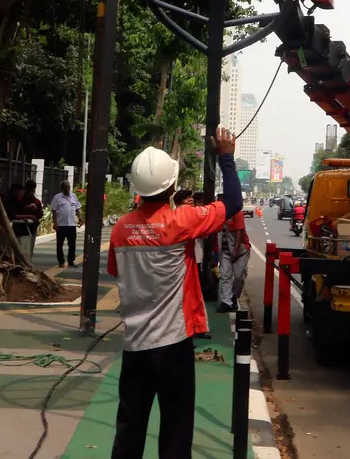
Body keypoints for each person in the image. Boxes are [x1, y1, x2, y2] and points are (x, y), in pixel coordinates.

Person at [107, 128, 243, 459]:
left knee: (129, 428)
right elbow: (233, 203)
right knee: (176, 431)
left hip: (135, 345)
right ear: (170, 186)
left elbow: (115, 271)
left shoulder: (121, 228)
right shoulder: (180, 222)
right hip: (172, 346)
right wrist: (226, 156)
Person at [217, 194, 251, 313]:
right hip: (225, 251)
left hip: (240, 250)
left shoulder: (237, 213)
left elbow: (239, 232)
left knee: (238, 276)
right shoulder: (217, 215)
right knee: (225, 275)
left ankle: (234, 297)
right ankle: (226, 302)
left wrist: (235, 251)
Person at [49, 180, 81, 268]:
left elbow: (77, 209)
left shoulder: (73, 196)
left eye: (69, 187)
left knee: (72, 244)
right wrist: (55, 223)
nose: (68, 189)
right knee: (60, 244)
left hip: (71, 225)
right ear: (62, 188)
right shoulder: (57, 198)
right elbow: (54, 211)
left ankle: (71, 261)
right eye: (66, 187)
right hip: (61, 225)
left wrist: (80, 218)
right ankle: (61, 261)